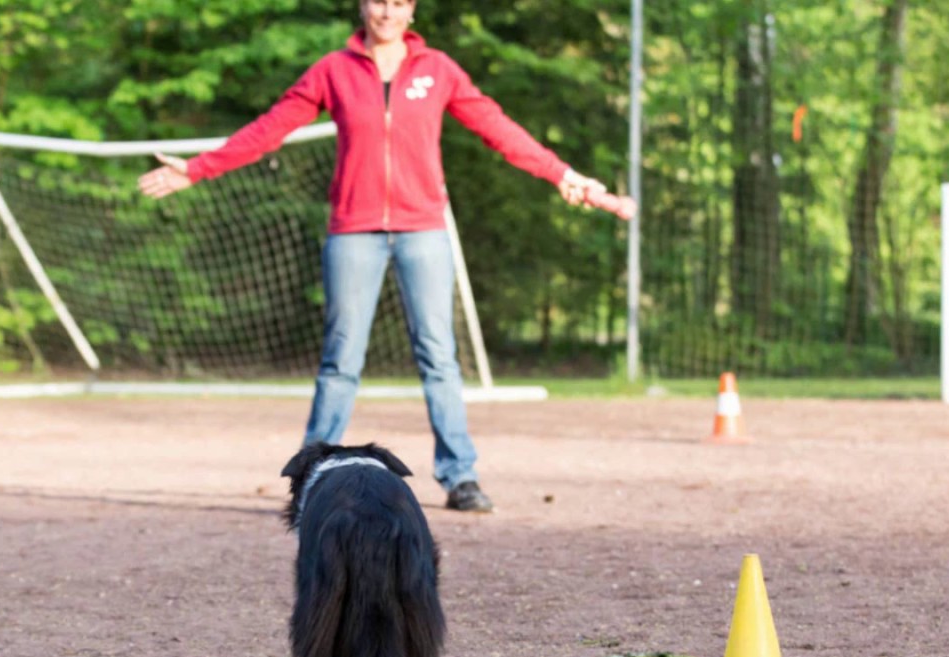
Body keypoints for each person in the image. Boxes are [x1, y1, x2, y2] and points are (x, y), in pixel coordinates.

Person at [139, 0, 607, 512]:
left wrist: (560, 173)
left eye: (398, 1)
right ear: (363, 7)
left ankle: (460, 477)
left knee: (440, 357)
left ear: (413, 9)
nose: (387, 10)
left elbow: (497, 127)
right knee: (341, 361)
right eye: (378, 0)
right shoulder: (333, 71)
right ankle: (312, 478)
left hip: (423, 230)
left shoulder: (439, 70)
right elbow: (270, 128)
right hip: (353, 231)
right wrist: (199, 168)